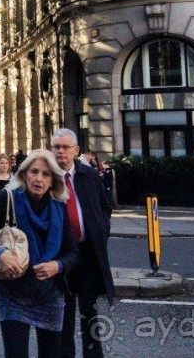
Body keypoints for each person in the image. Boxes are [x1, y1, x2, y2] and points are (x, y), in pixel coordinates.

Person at [0, 149, 79, 358]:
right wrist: (0, 254)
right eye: (34, 172)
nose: (39, 179)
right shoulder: (6, 199)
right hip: (13, 294)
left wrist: (57, 266)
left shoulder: (59, 207)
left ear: (53, 180)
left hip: (51, 294)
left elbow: (72, 253)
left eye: (46, 174)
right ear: (24, 175)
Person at [50, 129, 115, 358]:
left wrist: (102, 231)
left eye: (65, 147)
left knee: (90, 311)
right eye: (56, 147)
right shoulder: (46, 177)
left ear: (76, 150)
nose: (61, 151)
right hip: (60, 256)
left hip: (87, 254)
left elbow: (105, 206)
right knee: (63, 312)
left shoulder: (89, 175)